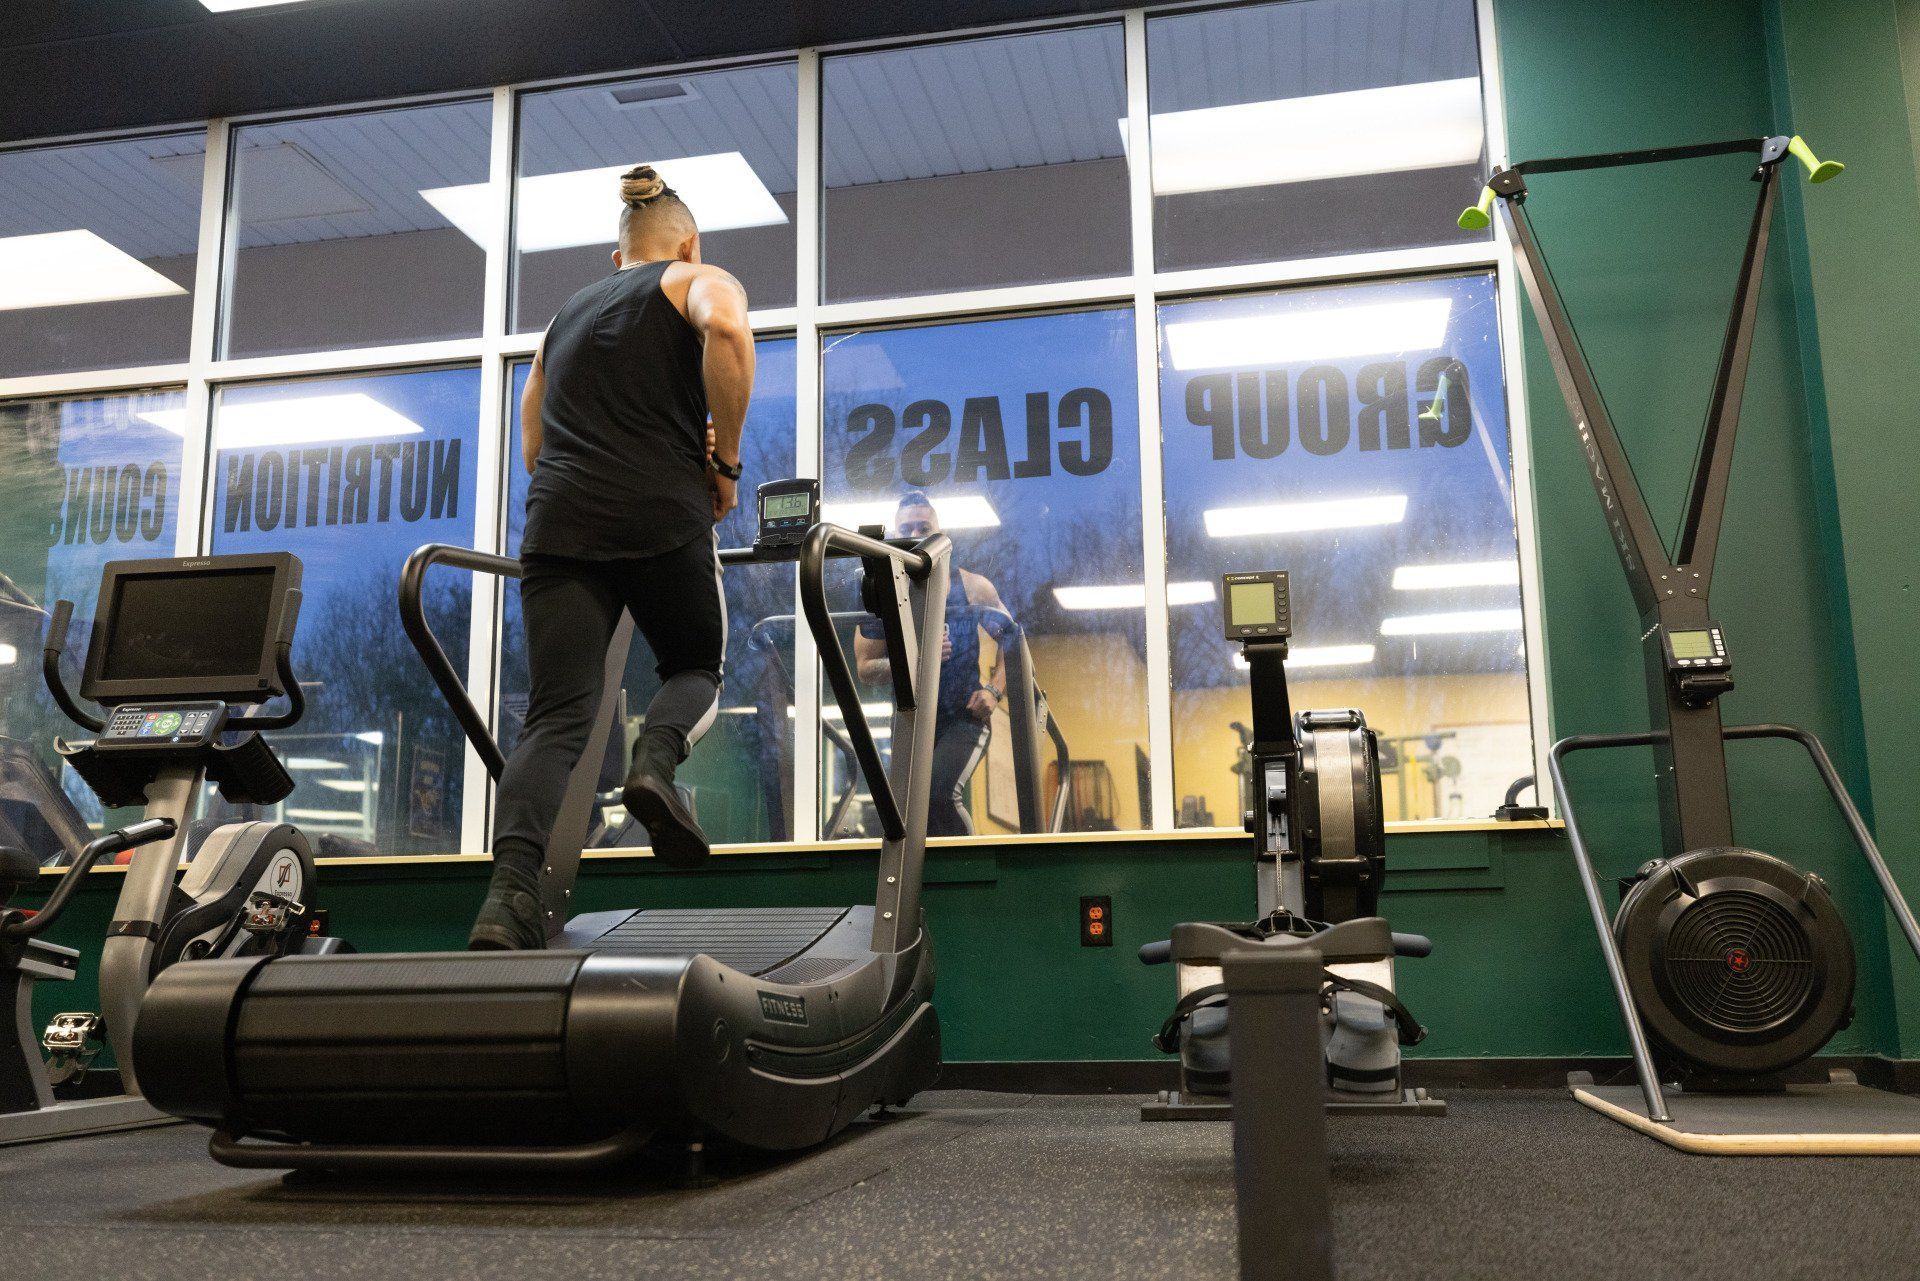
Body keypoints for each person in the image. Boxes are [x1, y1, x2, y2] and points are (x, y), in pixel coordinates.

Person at [470, 164, 755, 951]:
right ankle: (654, 762)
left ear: (615, 254)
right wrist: (722, 464)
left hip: (558, 524)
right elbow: (729, 333)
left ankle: (507, 898)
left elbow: (534, 442)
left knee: (556, 714)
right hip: (662, 513)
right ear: (686, 242)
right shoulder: (695, 278)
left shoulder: (564, 316)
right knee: (696, 664)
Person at [853, 492, 1007, 837]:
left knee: (939, 795)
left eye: (924, 527)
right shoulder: (884, 594)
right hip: (910, 720)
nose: (915, 534)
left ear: (941, 534)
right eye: (906, 528)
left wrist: (994, 691)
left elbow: (1013, 641)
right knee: (903, 813)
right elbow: (865, 668)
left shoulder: (972, 586)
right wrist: (917, 658)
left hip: (963, 718)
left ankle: (968, 872)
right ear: (894, 537)